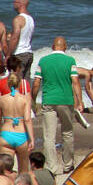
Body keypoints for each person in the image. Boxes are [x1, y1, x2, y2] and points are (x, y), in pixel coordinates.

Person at [33, 36, 78, 174]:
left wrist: (32, 99)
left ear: (53, 46)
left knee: (49, 136)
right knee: (68, 133)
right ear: (65, 47)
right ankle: (67, 165)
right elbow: (75, 82)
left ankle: (52, 167)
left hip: (49, 100)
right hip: (66, 100)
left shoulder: (43, 60)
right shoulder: (70, 60)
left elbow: (36, 83)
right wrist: (80, 101)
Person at [7, 0, 36, 77]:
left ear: (20, 4)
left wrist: (8, 54)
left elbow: (15, 38)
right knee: (25, 84)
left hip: (19, 54)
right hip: (28, 53)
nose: (13, 3)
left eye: (15, 2)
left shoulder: (18, 19)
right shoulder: (30, 19)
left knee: (15, 83)